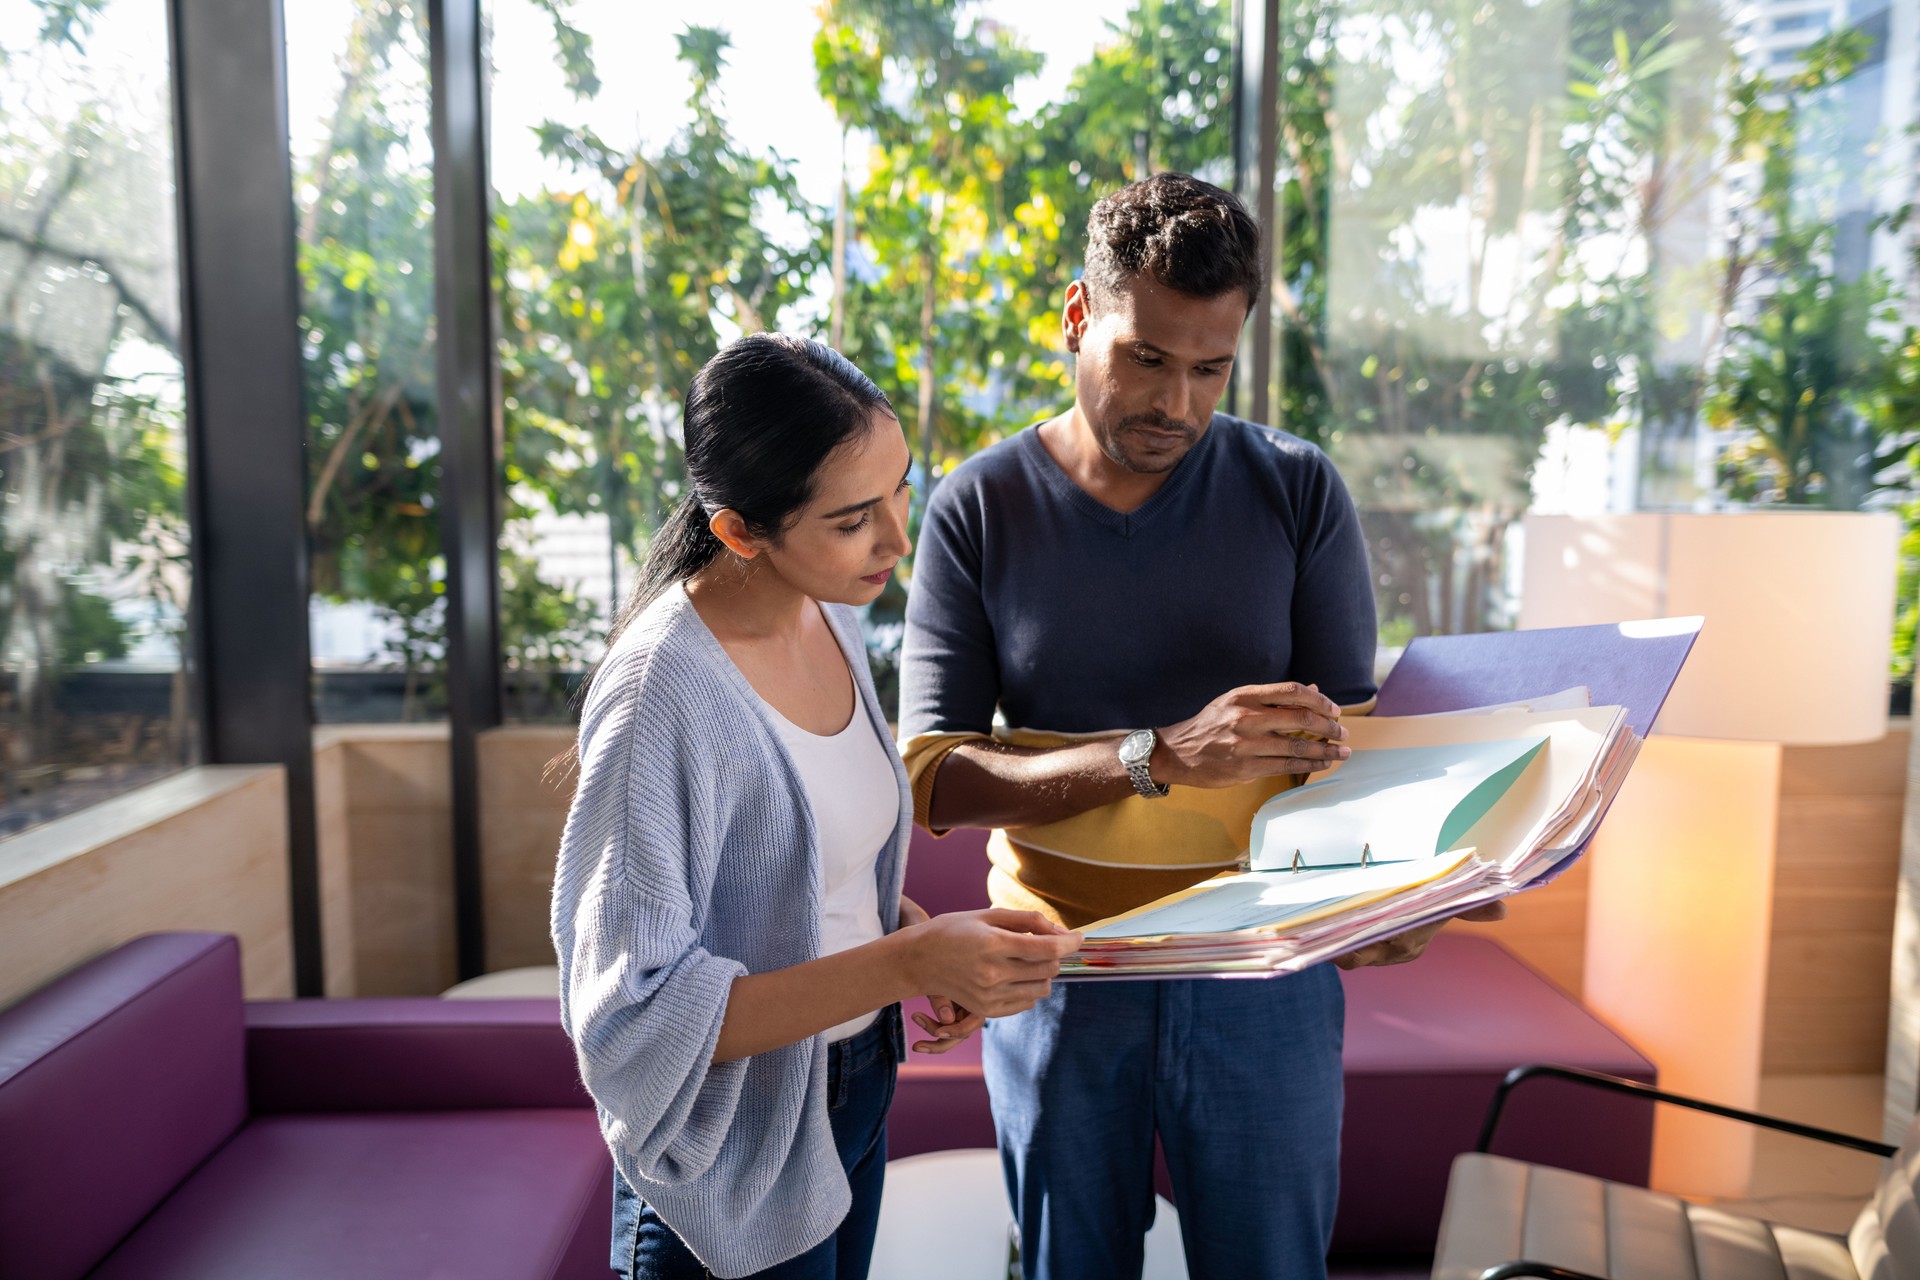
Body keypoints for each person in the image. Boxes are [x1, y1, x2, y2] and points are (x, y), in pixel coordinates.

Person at [899, 173, 1505, 1280]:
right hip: (1059, 968)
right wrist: (1158, 755)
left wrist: (1420, 892)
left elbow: (1354, 753)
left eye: (1209, 368)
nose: (1176, 404)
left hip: (1264, 972)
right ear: (1080, 318)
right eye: (1146, 357)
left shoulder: (1297, 488)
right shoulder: (977, 505)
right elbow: (936, 778)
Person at [552, 333, 1082, 1280]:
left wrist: (920, 940)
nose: (896, 539)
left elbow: (813, 877)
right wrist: (906, 958)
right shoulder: (660, 697)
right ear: (739, 531)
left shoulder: (829, 611)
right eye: (851, 520)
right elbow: (632, 1022)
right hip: (729, 1148)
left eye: (901, 490)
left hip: (853, 1088)